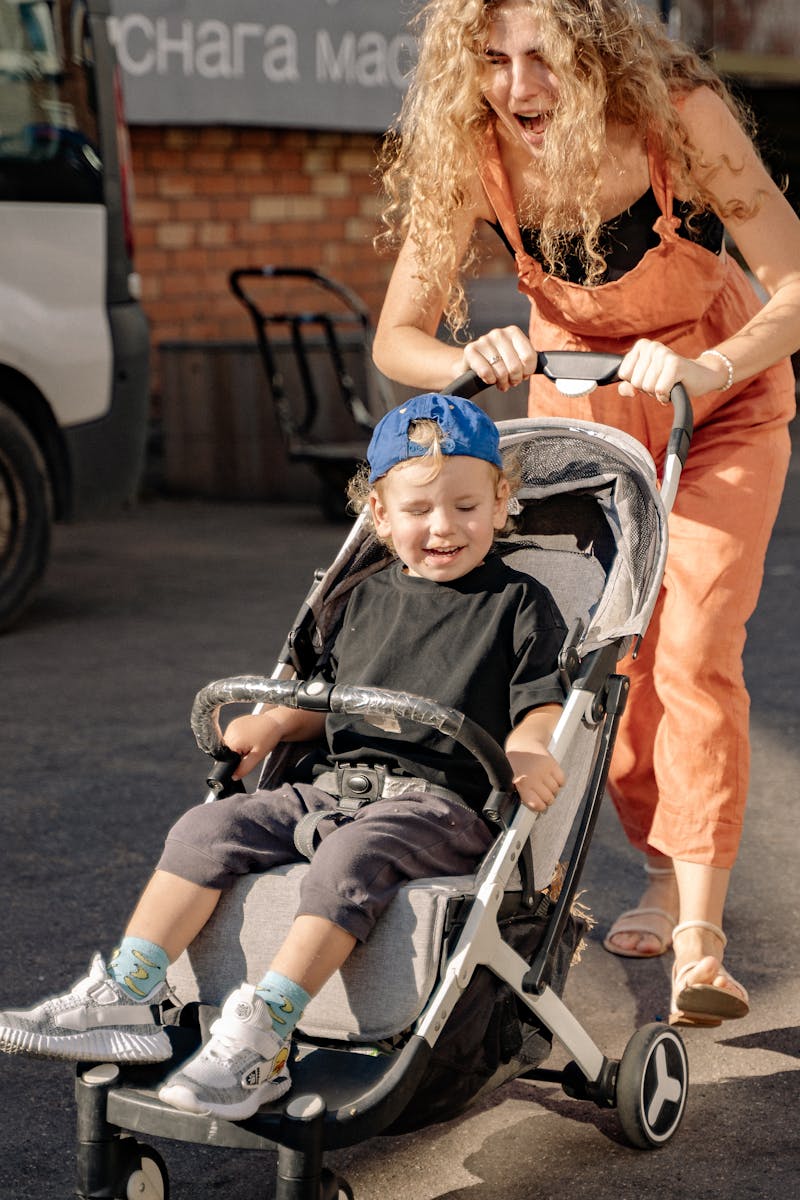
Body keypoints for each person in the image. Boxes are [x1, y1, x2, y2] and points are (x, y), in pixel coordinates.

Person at [371, 0, 800, 1026]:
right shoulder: (476, 149)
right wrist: (468, 361)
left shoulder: (680, 116)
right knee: (607, 652)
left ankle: (696, 937)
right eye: (491, 60)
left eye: (543, 59)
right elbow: (399, 337)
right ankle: (654, 866)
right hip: (583, 407)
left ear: (598, 58)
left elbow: (791, 279)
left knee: (692, 639)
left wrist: (707, 366)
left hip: (720, 399)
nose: (516, 86)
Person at [0, 393, 567, 1120]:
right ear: (381, 517)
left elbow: (541, 702)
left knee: (348, 861)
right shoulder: (357, 598)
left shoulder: (519, 603)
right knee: (205, 830)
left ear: (501, 501)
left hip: (441, 804)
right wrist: (273, 721)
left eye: (466, 506)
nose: (444, 527)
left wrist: (527, 753)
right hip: (330, 788)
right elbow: (321, 697)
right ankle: (130, 992)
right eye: (420, 510)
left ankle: (265, 1031)